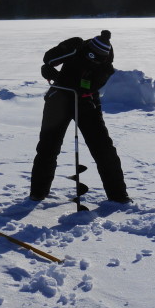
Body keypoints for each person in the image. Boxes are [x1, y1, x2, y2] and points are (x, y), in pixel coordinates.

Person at [29, 30, 130, 203]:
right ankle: (38, 193)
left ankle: (119, 196)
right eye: (90, 56)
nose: (93, 60)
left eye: (98, 58)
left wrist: (63, 80)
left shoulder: (105, 67)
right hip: (58, 101)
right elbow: (49, 59)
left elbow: (87, 87)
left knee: (103, 148)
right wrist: (52, 70)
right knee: (48, 147)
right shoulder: (77, 45)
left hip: (86, 104)